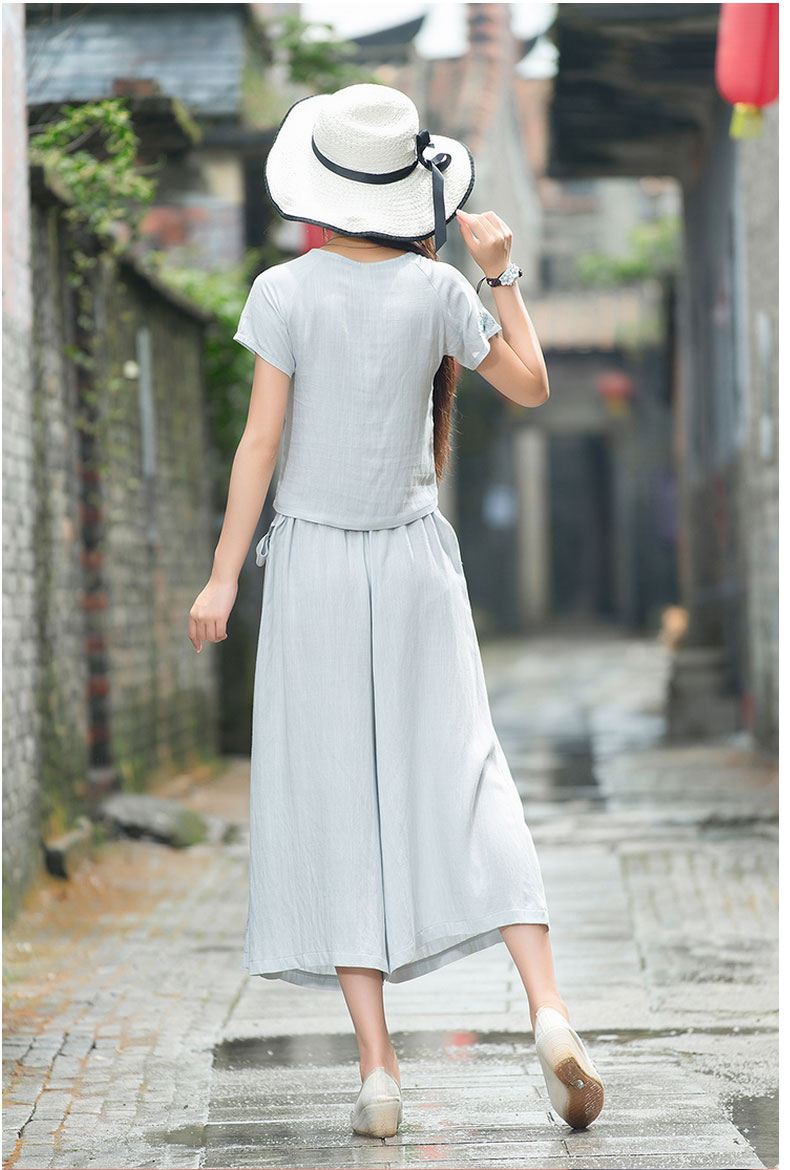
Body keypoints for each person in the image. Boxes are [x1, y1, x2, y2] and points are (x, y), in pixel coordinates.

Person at [188, 83, 604, 1137]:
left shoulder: (284, 291)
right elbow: (532, 385)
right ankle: (548, 1008)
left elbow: (259, 445)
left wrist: (223, 576)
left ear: (323, 189)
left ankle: (378, 1074)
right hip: (417, 564)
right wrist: (501, 273)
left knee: (334, 799)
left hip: (316, 570)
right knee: (469, 774)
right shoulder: (438, 291)